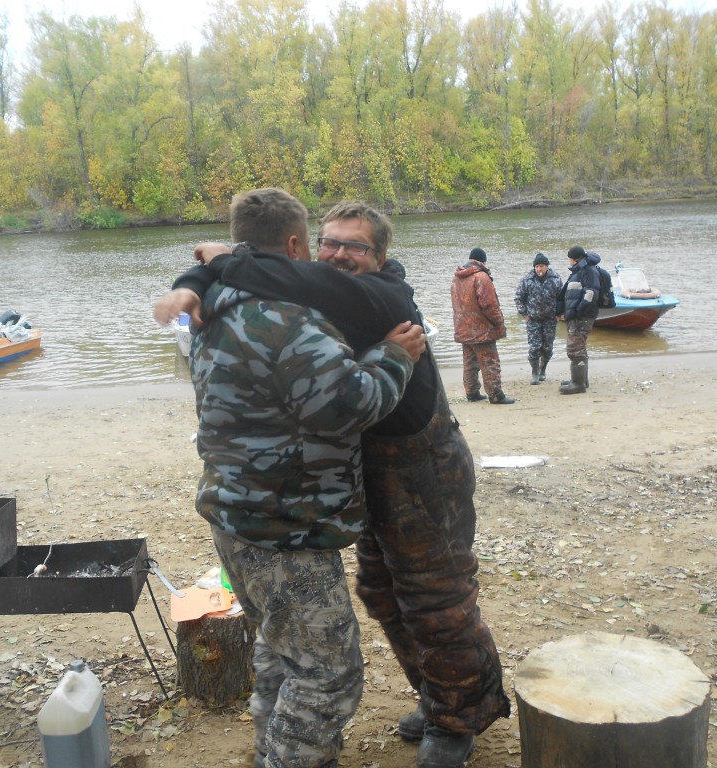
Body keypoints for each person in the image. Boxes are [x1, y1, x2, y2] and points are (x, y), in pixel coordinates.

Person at [156, 201, 512, 768]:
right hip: (362, 471)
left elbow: (277, 274)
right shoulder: (307, 290)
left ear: (381, 257)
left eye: (356, 246)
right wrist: (197, 278)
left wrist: (221, 262)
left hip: (421, 467)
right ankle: (436, 695)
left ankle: (460, 715)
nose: (340, 255)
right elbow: (275, 272)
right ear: (307, 246)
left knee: (435, 597)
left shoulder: (384, 295)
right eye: (331, 242)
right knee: (380, 591)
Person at [183, 188, 423, 768]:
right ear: (296, 245)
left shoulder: (212, 303)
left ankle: (270, 750)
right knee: (327, 677)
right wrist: (395, 356)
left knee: (281, 651)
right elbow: (350, 404)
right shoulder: (288, 319)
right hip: (285, 528)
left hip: (233, 516)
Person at [449, 247, 514, 405]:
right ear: (483, 261)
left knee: (469, 362)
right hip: (482, 330)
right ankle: (496, 394)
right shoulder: (481, 277)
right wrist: (499, 323)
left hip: (463, 328)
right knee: (490, 361)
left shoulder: (456, 278)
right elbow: (489, 306)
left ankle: (472, 393)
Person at [555, 244, 601, 394]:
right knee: (580, 348)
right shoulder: (579, 271)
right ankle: (581, 380)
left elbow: (591, 294)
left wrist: (577, 311)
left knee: (575, 350)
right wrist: (561, 311)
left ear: (573, 258)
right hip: (576, 317)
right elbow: (568, 294)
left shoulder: (588, 271)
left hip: (582, 317)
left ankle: (578, 384)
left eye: (569, 258)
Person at [514, 252, 563, 385]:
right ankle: (535, 373)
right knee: (534, 348)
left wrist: (559, 314)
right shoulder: (527, 280)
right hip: (533, 320)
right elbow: (518, 298)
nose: (539, 269)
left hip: (550, 320)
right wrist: (524, 313)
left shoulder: (555, 279)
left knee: (547, 348)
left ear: (547, 266)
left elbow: (561, 298)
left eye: (541, 266)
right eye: (537, 266)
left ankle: (542, 370)